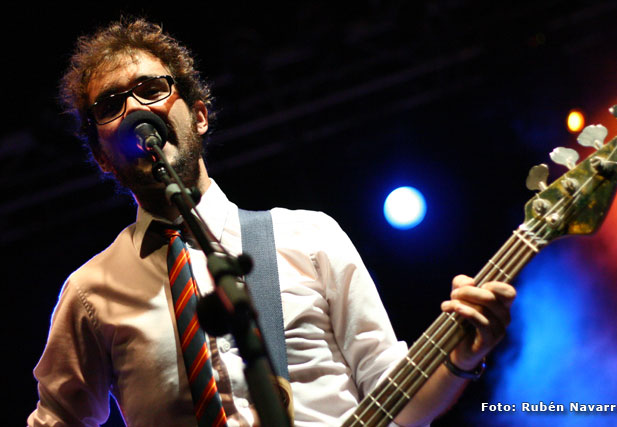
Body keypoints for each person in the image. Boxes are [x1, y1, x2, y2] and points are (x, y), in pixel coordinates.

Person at [28, 17, 516, 427]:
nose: (135, 107)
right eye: (110, 105)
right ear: (103, 159)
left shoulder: (308, 236)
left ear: (198, 116)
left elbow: (396, 398)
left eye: (151, 89)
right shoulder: (92, 293)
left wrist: (462, 358)